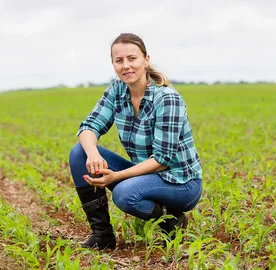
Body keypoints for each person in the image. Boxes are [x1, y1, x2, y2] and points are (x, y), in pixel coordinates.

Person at [69, 33, 203, 250]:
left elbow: (162, 159)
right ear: (113, 64)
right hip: (146, 174)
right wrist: (93, 154)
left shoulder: (167, 98)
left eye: (132, 58)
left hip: (180, 183)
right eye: (119, 60)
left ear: (146, 60)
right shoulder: (117, 90)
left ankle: (171, 219)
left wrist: (117, 177)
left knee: (124, 194)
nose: (126, 66)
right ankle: (102, 234)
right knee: (80, 153)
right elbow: (88, 126)